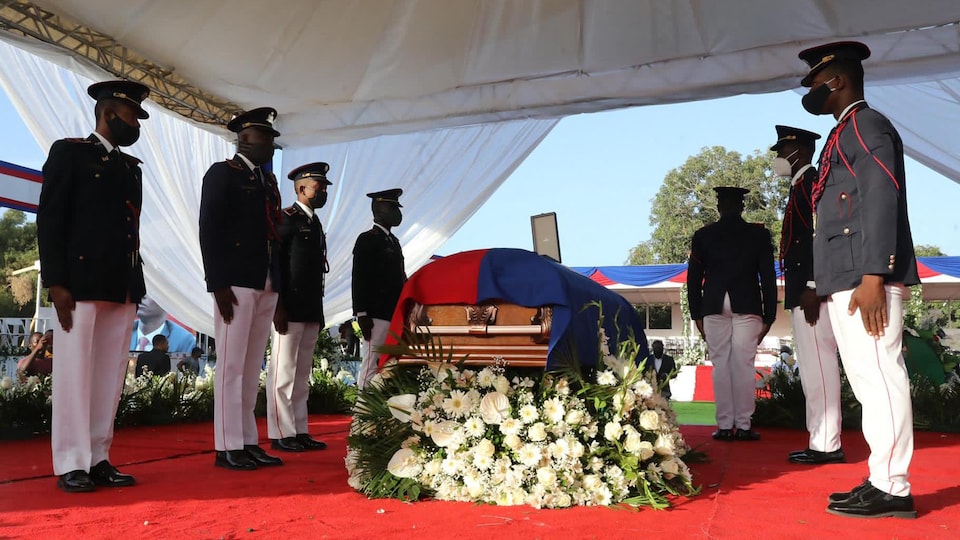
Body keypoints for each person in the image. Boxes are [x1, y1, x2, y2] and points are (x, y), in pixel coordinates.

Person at [799, 41, 920, 519]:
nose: (809, 91)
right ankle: (881, 477)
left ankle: (893, 485)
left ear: (838, 81)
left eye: (814, 82)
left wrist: (875, 274)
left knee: (881, 377)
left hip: (865, 276)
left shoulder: (866, 124)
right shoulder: (842, 132)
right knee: (869, 381)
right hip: (846, 276)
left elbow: (880, 197)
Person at [37, 80, 149, 493]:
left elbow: (129, 231)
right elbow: (50, 219)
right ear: (108, 112)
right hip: (79, 283)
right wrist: (55, 282)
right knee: (73, 374)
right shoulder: (70, 153)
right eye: (132, 114)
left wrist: (134, 284)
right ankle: (71, 461)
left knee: (109, 376)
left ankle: (98, 456)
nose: (136, 123)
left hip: (120, 283)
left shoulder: (128, 167)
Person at [199, 107, 284, 471]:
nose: (270, 145)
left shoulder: (267, 182)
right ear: (245, 138)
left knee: (252, 367)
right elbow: (209, 227)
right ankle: (227, 445)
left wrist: (277, 283)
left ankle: (248, 440)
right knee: (232, 366)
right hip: (233, 281)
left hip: (262, 279)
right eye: (265, 138)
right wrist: (216, 282)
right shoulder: (223, 173)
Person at [771, 124, 844, 466]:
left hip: (811, 291)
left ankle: (827, 444)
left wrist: (814, 285)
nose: (777, 159)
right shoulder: (799, 185)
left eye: (781, 152)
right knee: (812, 369)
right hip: (802, 289)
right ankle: (819, 439)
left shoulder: (811, 183)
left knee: (819, 366)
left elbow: (819, 236)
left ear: (797, 151)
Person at [687, 186, 777, 442]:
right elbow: (768, 277)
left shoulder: (703, 235)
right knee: (744, 365)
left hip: (713, 303)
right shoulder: (758, 235)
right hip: (747, 302)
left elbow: (694, 279)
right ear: (741, 207)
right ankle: (744, 425)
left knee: (720, 365)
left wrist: (697, 314)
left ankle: (725, 426)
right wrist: (769, 315)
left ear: (719, 207)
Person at [267, 162, 332, 452]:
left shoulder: (314, 223)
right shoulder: (286, 219)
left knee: (302, 374)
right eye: (319, 187)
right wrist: (277, 305)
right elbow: (276, 266)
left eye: (325, 187)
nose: (324, 192)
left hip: (309, 307)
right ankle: (282, 432)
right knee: (283, 373)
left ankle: (300, 429)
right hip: (288, 307)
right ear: (301, 188)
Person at [352, 188, 407, 389]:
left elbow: (400, 276)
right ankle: (362, 412)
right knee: (371, 363)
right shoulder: (368, 239)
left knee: (389, 364)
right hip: (375, 313)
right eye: (392, 207)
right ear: (379, 209)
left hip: (392, 311)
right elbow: (359, 278)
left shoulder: (393, 241)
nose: (396, 213)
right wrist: (362, 313)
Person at [129, 295, 196, 353]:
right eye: (139, 289)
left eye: (150, 291)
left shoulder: (185, 341)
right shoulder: (121, 332)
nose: (142, 296)